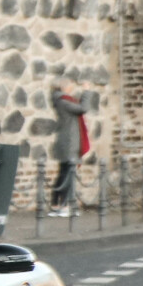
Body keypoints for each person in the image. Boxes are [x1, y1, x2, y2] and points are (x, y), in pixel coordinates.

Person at [49, 81, 89, 217]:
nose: (72, 87)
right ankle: (63, 205)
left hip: (68, 141)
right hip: (69, 142)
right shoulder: (63, 101)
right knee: (67, 174)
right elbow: (83, 108)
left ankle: (56, 204)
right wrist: (86, 92)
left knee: (64, 173)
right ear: (64, 87)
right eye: (70, 85)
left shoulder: (63, 100)